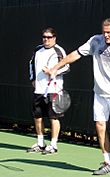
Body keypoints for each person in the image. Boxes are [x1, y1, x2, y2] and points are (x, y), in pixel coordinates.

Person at [46, 16, 110, 177]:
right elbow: (76, 54)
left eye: (109, 32)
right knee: (100, 126)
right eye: (104, 32)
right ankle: (108, 163)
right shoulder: (95, 41)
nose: (106, 36)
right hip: (99, 93)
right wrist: (56, 67)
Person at [27, 27, 69, 155]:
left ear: (54, 38)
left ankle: (53, 145)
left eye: (49, 37)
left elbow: (66, 67)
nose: (46, 39)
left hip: (54, 90)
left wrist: (53, 72)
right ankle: (40, 143)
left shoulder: (59, 51)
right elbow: (31, 64)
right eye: (44, 37)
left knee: (53, 117)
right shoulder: (37, 50)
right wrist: (32, 78)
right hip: (38, 90)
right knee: (38, 117)